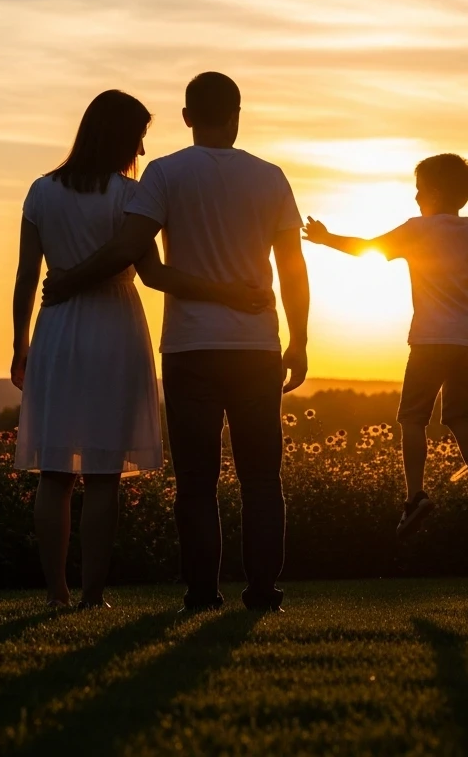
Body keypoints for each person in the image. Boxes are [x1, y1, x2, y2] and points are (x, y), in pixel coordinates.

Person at [42, 72, 309, 612]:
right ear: (237, 113)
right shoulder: (271, 177)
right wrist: (299, 340)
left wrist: (69, 278)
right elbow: (293, 267)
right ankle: (261, 589)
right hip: (257, 346)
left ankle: (201, 591)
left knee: (197, 481)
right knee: (261, 476)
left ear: (187, 117)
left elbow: (131, 252)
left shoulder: (163, 175)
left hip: (190, 348)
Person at [302, 152, 468, 539]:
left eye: (419, 190)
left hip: (430, 340)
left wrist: (324, 238)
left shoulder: (416, 230)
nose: (415, 198)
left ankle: (415, 497)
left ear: (432, 192)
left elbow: (366, 247)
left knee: (413, 418)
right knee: (459, 416)